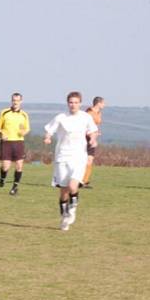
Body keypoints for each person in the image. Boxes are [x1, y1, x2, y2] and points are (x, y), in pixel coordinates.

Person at [44, 91, 98, 231]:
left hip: (78, 156)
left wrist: (92, 139)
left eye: (76, 102)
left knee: (73, 186)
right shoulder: (61, 117)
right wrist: (48, 137)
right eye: (71, 102)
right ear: (68, 103)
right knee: (64, 191)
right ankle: (64, 216)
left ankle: (73, 208)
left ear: (80, 103)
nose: (73, 105)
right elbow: (50, 129)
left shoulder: (85, 117)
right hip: (62, 156)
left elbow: (92, 131)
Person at [0, 92, 30, 195]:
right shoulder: (5, 112)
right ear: (11, 101)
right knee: (6, 166)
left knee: (19, 165)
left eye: (18, 101)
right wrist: (1, 134)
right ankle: (2, 177)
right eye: (14, 100)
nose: (15, 102)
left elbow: (27, 128)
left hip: (19, 142)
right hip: (6, 142)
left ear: (21, 102)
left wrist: (24, 132)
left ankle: (15, 187)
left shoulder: (24, 115)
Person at [83, 96, 105, 188]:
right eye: (103, 103)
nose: (105, 105)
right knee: (86, 159)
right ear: (98, 103)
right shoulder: (89, 113)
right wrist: (90, 134)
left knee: (90, 159)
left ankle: (85, 181)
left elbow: (94, 125)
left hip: (93, 137)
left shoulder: (99, 113)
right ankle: (81, 180)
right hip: (86, 138)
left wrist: (96, 133)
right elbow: (84, 126)